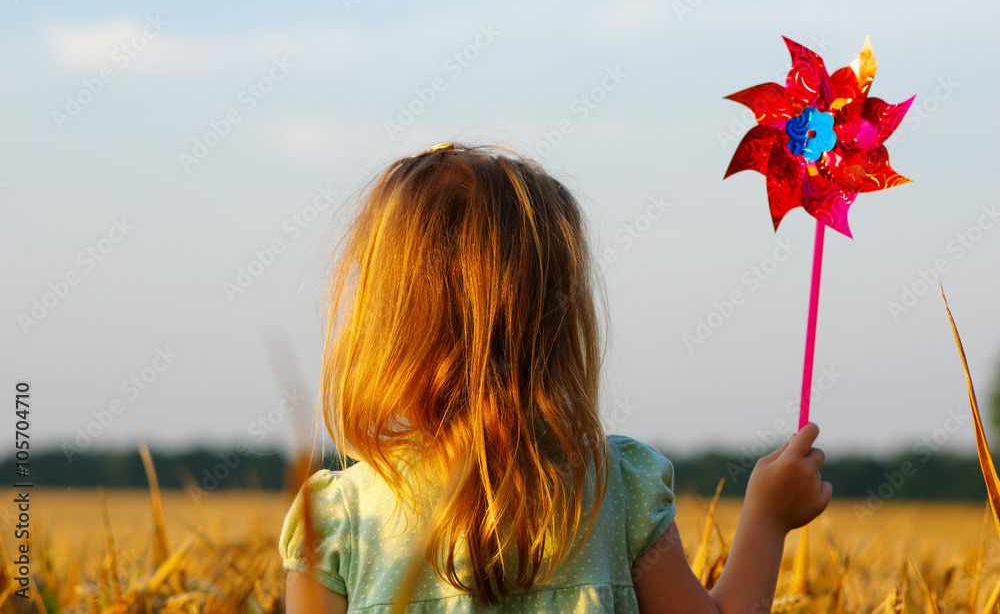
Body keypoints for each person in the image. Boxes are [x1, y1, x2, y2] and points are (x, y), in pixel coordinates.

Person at [279, 143, 832, 613]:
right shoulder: (617, 491)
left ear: (386, 323)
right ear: (562, 323)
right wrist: (767, 517)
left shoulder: (336, 522)